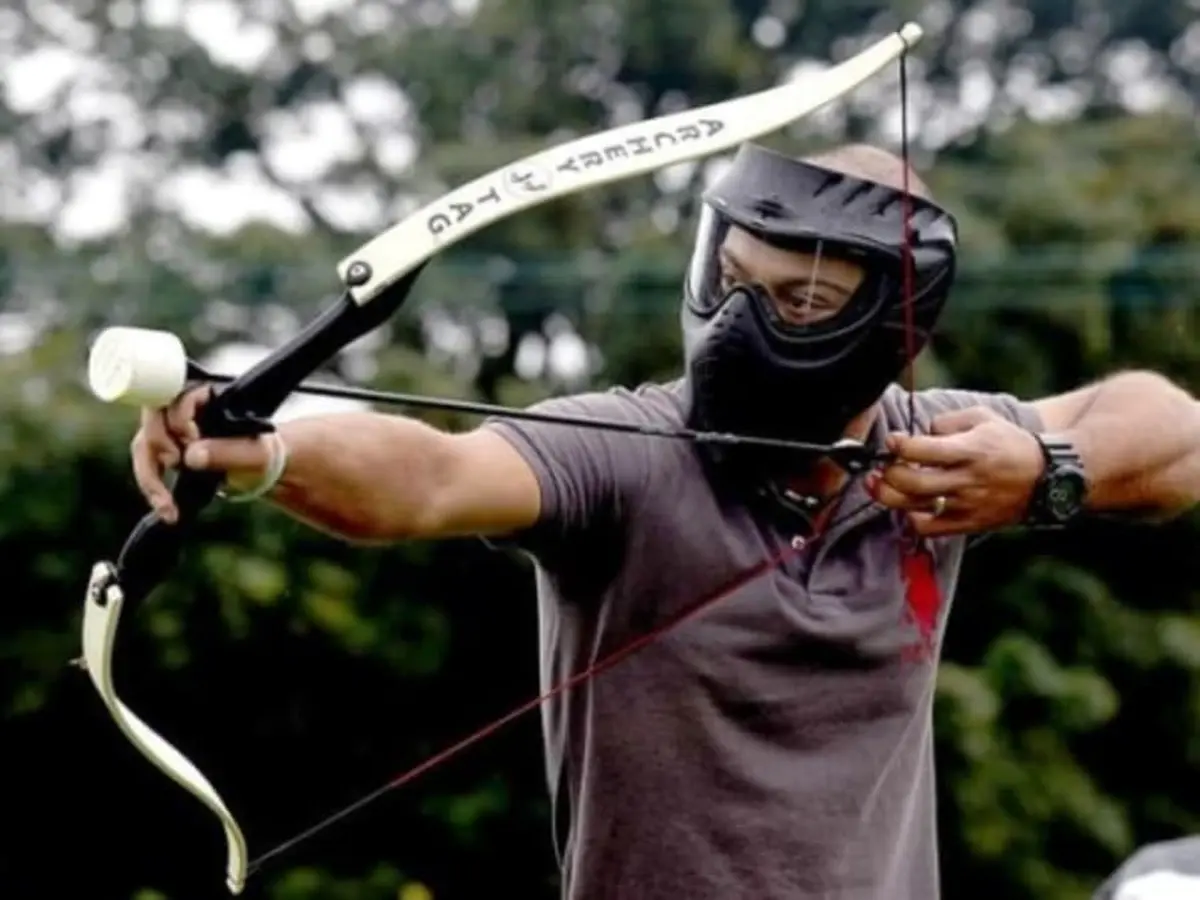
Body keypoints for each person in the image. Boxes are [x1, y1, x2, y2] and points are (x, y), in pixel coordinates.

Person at [129, 142, 1200, 900]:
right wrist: (263, 450)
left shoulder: (945, 456)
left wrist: (1045, 468)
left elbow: (1174, 432)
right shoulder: (629, 452)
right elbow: (430, 478)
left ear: (896, 315)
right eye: (731, 281)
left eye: (800, 300)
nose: (740, 325)